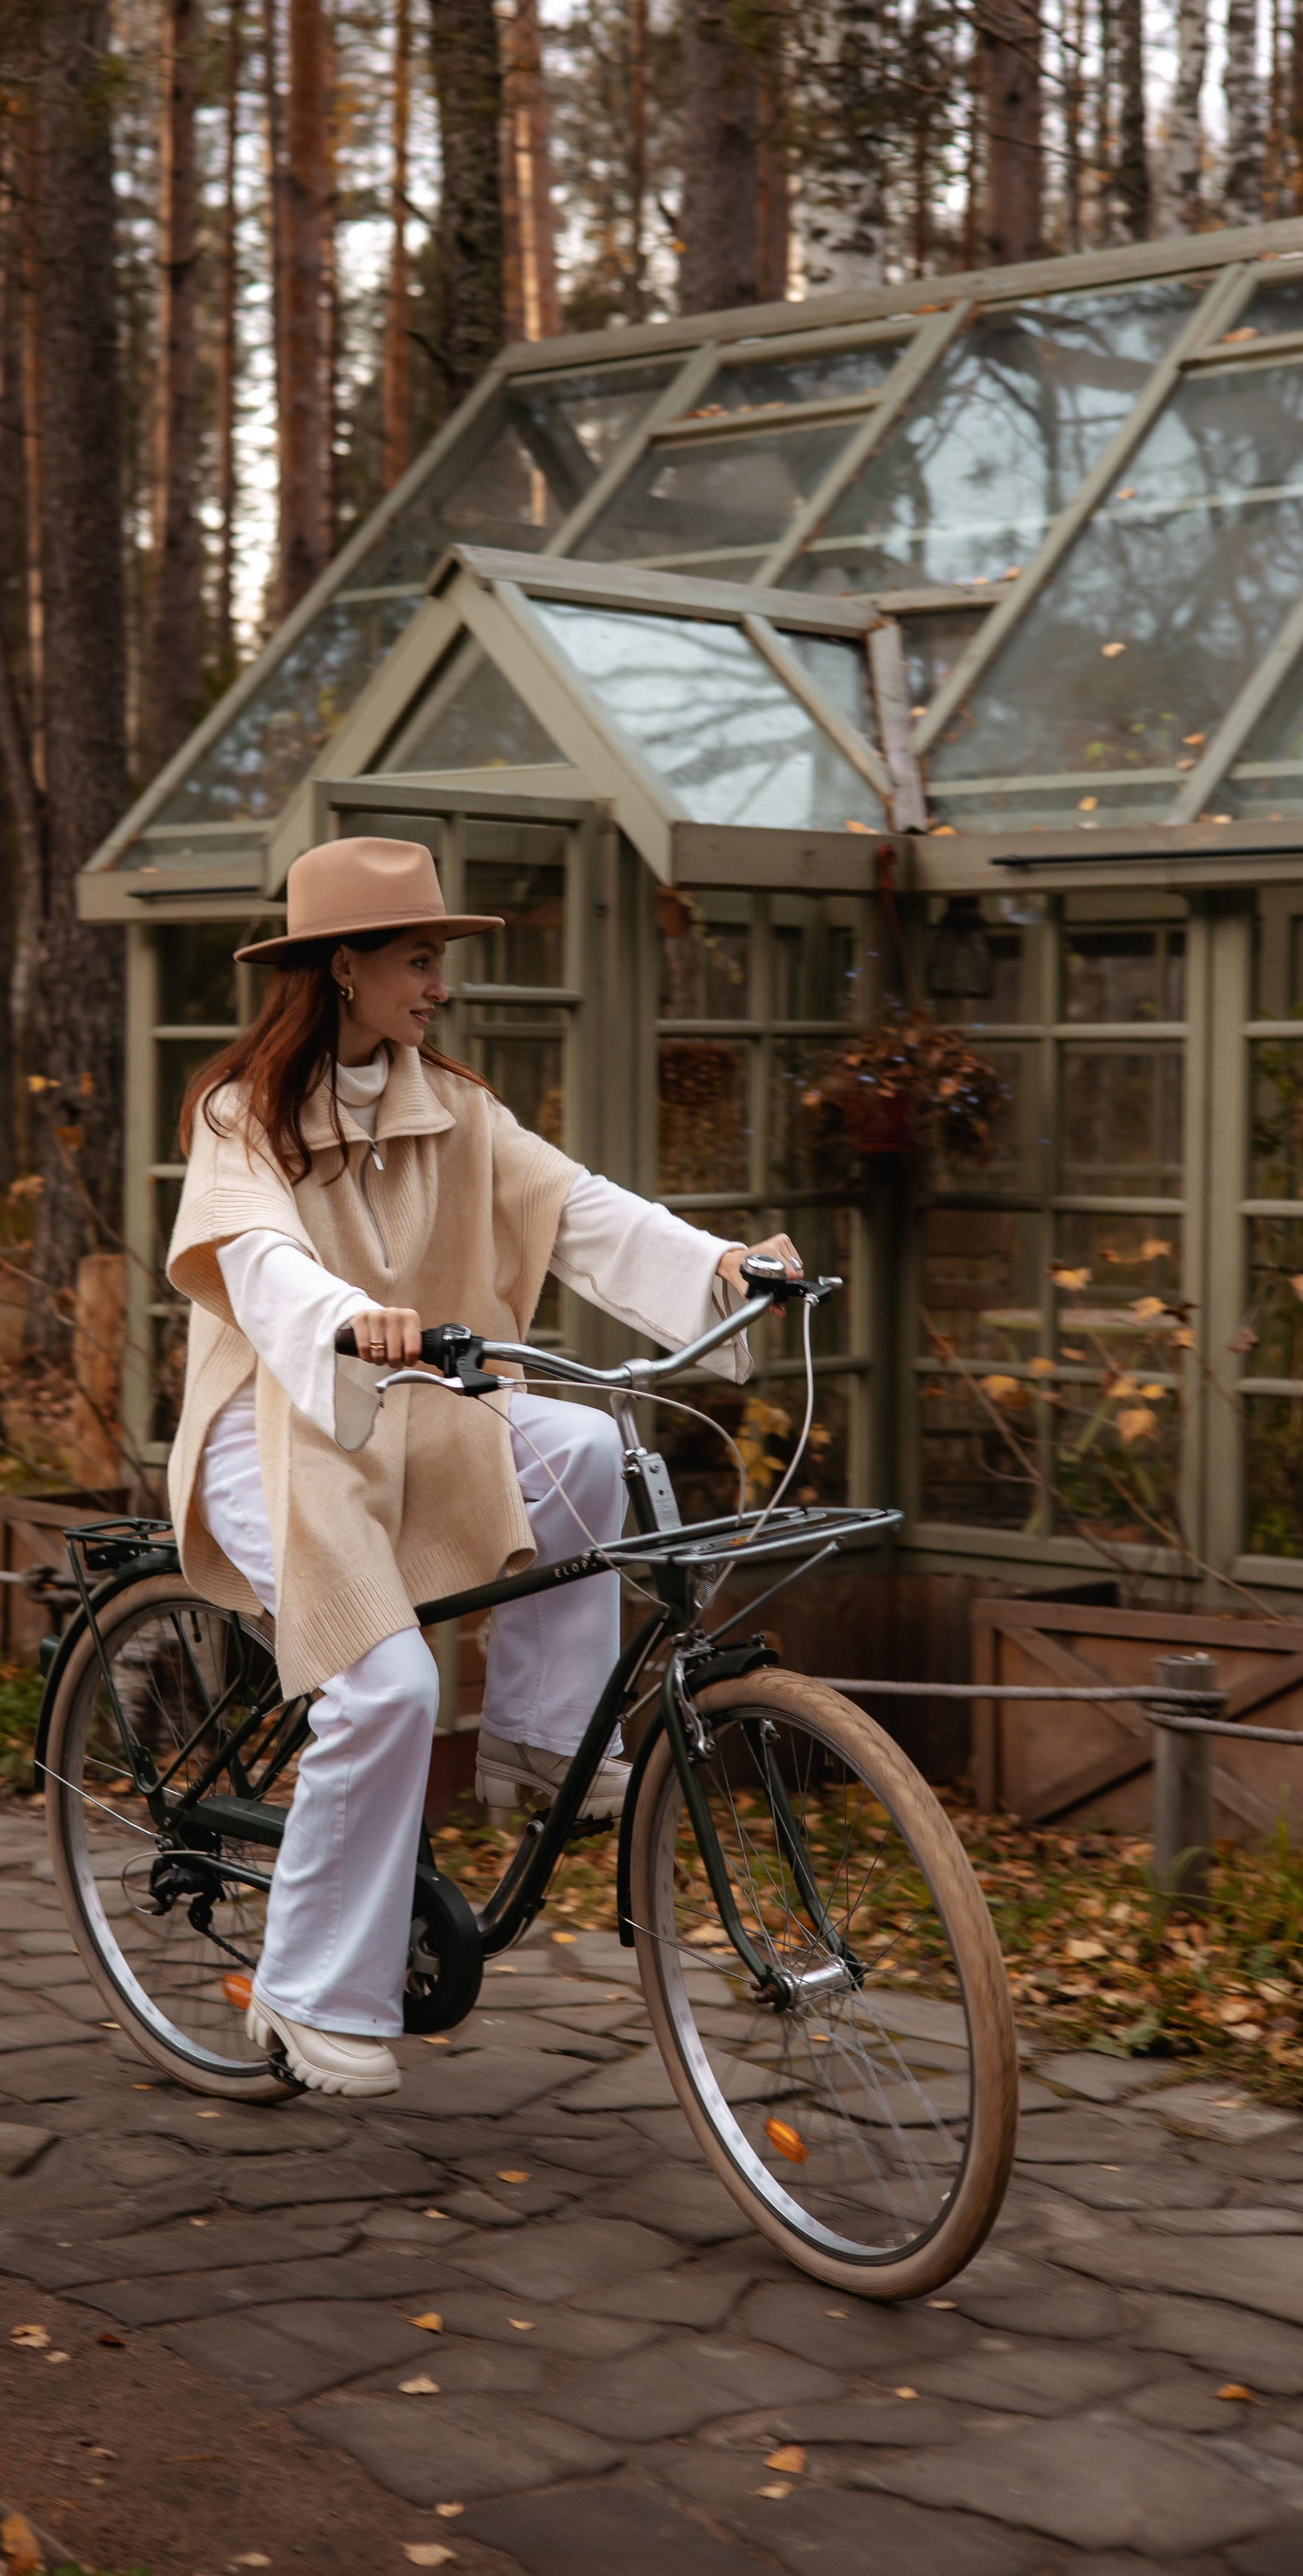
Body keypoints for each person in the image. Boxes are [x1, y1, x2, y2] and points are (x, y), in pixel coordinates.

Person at [164, 837, 801, 2101]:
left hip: (413, 1406)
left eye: (438, 960)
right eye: (418, 959)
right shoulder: (240, 1116)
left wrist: (726, 1266)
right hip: (280, 1424)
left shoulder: (449, 1105)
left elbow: (577, 1208)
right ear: (343, 969)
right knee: (388, 1687)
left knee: (580, 1444)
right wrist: (352, 1315)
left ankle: (533, 1741)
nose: (438, 983)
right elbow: (262, 1263)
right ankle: (304, 1993)